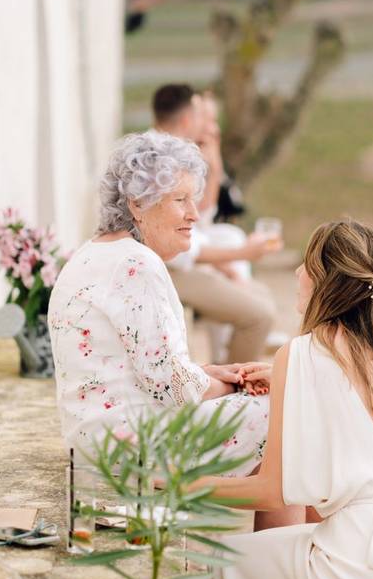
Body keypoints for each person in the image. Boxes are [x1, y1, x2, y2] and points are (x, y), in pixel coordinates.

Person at [196, 220, 373, 579]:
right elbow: (361, 401)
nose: (297, 272)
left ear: (326, 280)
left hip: (369, 566)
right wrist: (286, 379)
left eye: (307, 264)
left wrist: (182, 485)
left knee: (211, 565)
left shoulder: (305, 352)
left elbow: (270, 492)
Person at [47, 131, 297, 530]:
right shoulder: (136, 265)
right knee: (287, 418)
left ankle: (283, 554)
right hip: (130, 448)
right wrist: (237, 385)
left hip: (96, 440)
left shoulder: (93, 254)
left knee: (280, 426)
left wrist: (210, 373)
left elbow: (143, 367)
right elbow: (175, 387)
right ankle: (288, 561)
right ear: (137, 204)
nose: (195, 214)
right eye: (180, 200)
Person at [151, 84, 278, 362]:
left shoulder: (171, 152)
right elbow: (186, 246)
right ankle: (231, 387)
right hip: (163, 270)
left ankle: (225, 369)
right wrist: (241, 255)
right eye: (202, 117)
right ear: (187, 120)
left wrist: (215, 167)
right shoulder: (159, 161)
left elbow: (200, 217)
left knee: (263, 297)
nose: (208, 125)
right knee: (259, 315)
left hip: (178, 262)